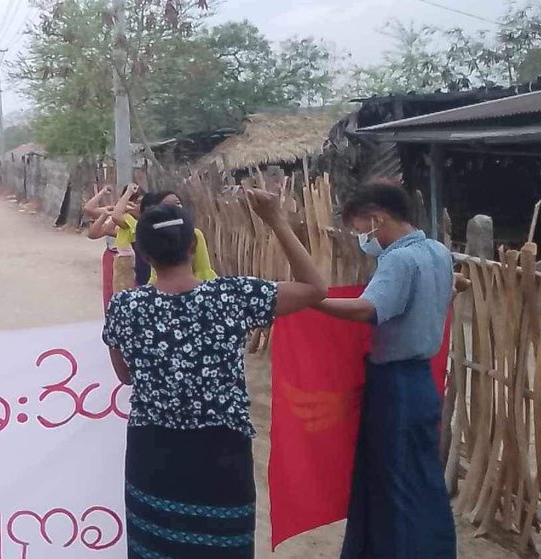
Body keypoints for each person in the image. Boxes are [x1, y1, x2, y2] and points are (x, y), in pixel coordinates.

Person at [103, 190, 327, 559]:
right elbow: (315, 289)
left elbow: (124, 376)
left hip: (153, 455)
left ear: (144, 255)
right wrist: (275, 220)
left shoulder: (126, 307)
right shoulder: (232, 295)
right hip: (221, 456)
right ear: (193, 246)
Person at [310, 181, 457, 558]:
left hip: (396, 385)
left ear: (378, 219)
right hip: (421, 381)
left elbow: (368, 308)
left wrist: (315, 302)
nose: (362, 238)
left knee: (395, 484)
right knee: (420, 478)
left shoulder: (398, 259)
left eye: (361, 229)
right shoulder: (439, 251)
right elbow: (455, 286)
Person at [137, 191, 216, 286]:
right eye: (168, 205)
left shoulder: (194, 234)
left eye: (177, 203)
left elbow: (203, 269)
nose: (176, 208)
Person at [84, 186, 119, 310]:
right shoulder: (114, 212)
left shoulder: (135, 217)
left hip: (128, 258)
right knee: (110, 293)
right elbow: (89, 209)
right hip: (112, 254)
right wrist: (102, 193)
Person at [109, 183, 144, 294]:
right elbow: (108, 229)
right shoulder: (128, 218)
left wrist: (128, 193)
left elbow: (115, 216)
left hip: (134, 265)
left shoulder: (136, 221)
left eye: (138, 202)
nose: (134, 205)